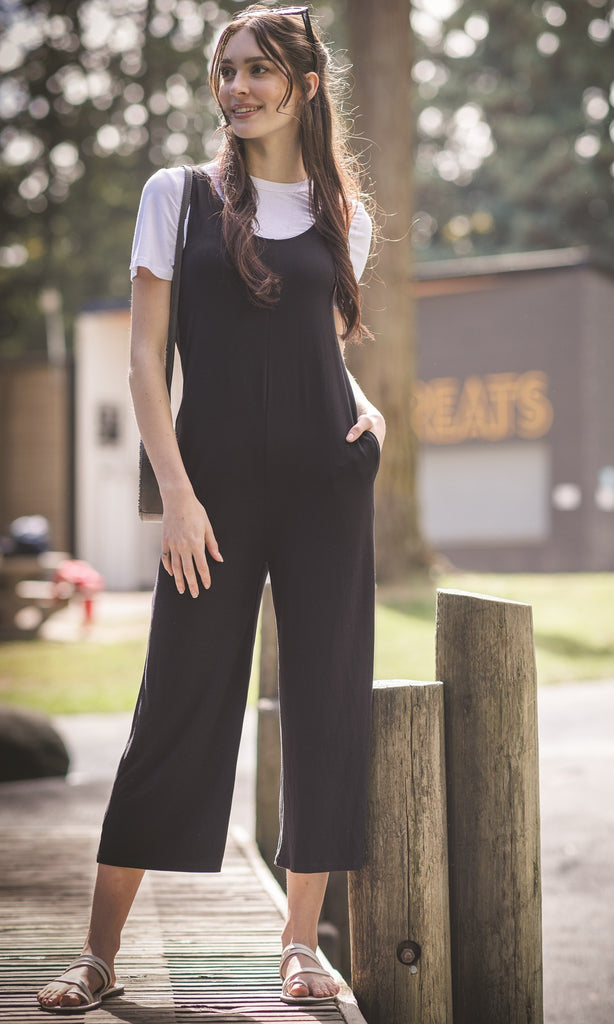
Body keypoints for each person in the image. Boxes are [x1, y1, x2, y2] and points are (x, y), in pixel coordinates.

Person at [37, 3, 385, 1012]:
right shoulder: (176, 197)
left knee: (324, 700)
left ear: (304, 85)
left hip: (327, 486)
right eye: (225, 70)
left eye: (259, 70)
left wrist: (373, 416)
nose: (237, 88)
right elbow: (147, 361)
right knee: (177, 703)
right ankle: (100, 953)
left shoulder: (340, 212)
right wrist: (176, 496)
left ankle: (297, 942)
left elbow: (326, 353)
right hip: (210, 498)